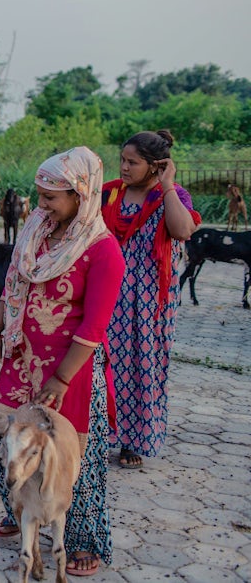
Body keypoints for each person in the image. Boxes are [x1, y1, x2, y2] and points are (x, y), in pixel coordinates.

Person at [0, 146, 126, 577]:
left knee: (69, 454)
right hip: (21, 361)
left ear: (82, 195)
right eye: (40, 195)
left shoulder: (103, 252)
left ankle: (82, 539)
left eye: (51, 197)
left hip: (69, 374)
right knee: (5, 442)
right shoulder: (37, 230)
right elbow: (13, 285)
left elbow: (93, 328)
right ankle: (20, 510)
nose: (40, 205)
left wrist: (61, 380)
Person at [102, 130, 200, 470]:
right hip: (108, 293)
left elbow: (183, 230)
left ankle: (133, 440)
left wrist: (169, 185)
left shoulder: (171, 196)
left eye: (133, 162)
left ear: (156, 166)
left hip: (149, 302)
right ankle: (103, 433)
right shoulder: (110, 194)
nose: (125, 168)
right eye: (123, 161)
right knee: (104, 362)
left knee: (142, 366)